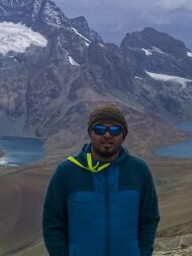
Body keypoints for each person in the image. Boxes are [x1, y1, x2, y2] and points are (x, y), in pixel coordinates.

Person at [42, 103, 160, 256]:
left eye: (115, 130)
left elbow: (149, 219)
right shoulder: (67, 172)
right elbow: (52, 223)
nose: (107, 135)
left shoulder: (138, 171)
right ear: (90, 133)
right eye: (99, 129)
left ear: (123, 135)